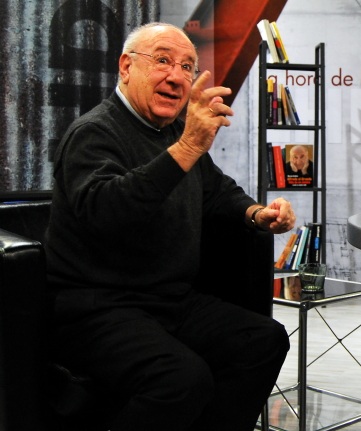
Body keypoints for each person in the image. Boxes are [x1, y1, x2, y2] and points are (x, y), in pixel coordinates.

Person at [45, 22, 295, 431]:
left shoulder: (176, 133)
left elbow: (216, 192)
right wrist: (188, 147)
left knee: (263, 340)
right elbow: (107, 212)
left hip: (170, 300)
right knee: (180, 379)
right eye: (162, 60)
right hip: (96, 307)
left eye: (187, 67)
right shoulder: (93, 133)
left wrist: (256, 214)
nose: (177, 77)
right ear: (127, 67)